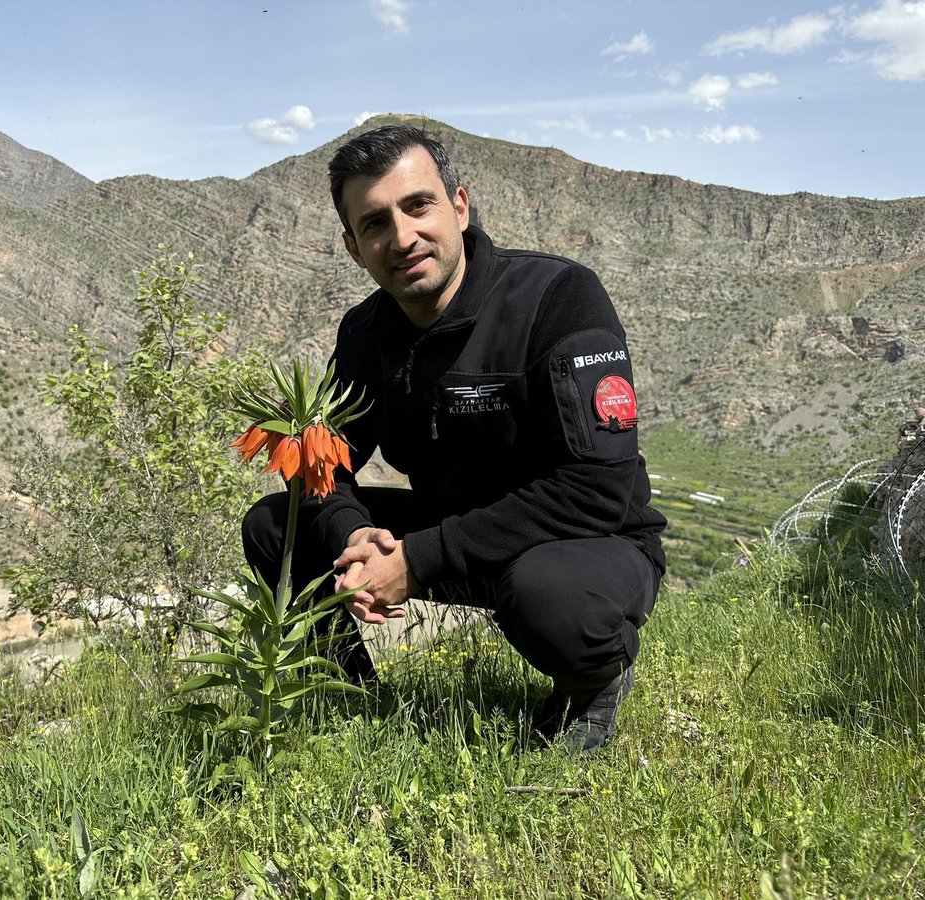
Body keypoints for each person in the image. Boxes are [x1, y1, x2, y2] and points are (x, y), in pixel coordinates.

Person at [241, 125, 666, 754]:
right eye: (376, 223)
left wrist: (418, 562)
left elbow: (596, 488)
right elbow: (320, 465)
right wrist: (354, 533)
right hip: (459, 532)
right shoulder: (365, 333)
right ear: (355, 247)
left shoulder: (558, 297)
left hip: (582, 542)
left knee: (548, 594)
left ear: (459, 208)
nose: (403, 237)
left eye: (419, 206)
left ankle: (595, 681)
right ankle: (346, 696)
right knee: (278, 524)